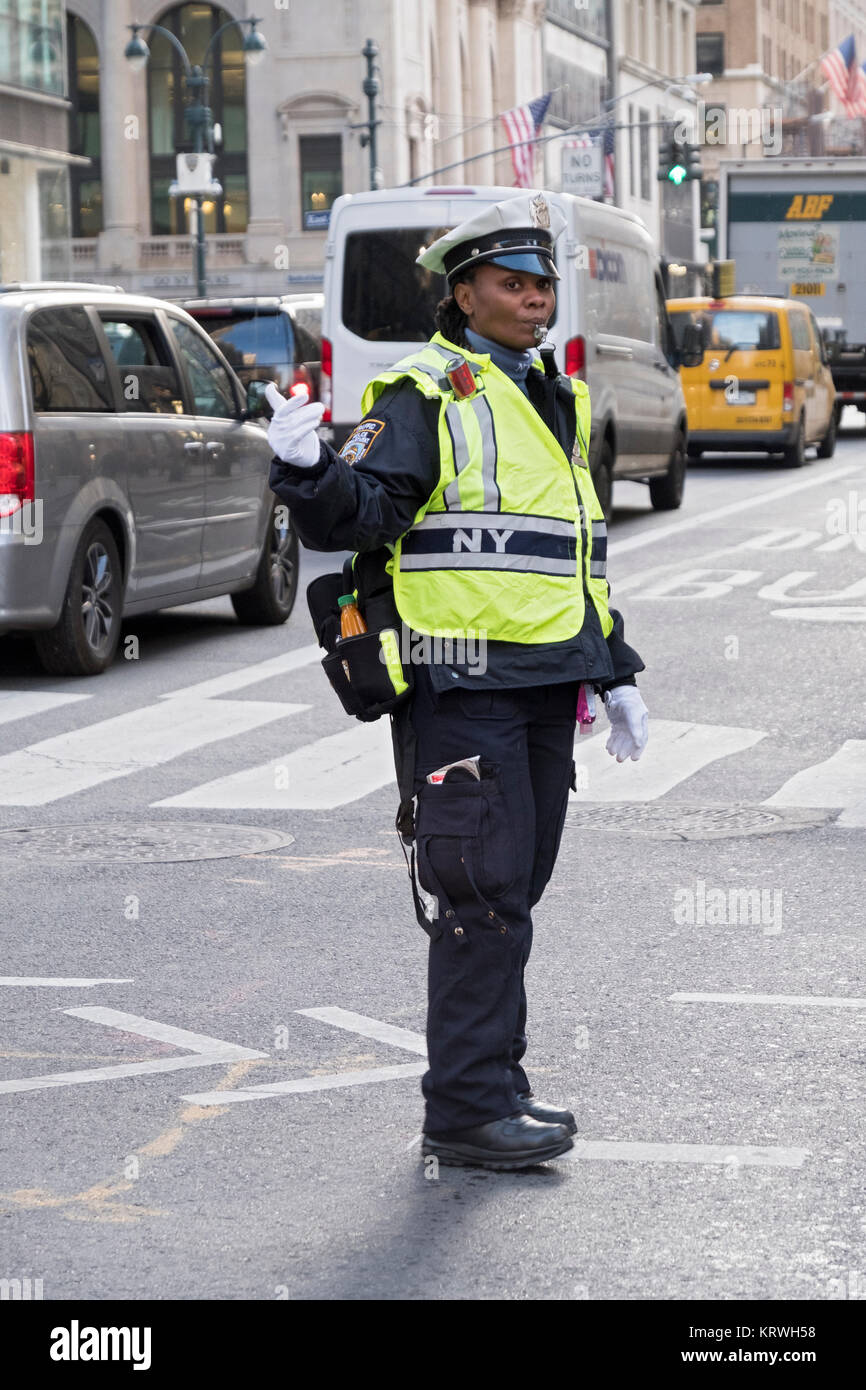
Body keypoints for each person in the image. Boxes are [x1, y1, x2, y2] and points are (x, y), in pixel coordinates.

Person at [266, 193, 649, 1172]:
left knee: (514, 886)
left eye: (542, 285)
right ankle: (465, 1109)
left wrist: (612, 672)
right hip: (459, 684)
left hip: (541, 683)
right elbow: (360, 515)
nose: (535, 300)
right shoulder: (424, 388)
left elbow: (572, 557)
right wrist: (308, 468)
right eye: (513, 285)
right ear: (463, 292)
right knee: (479, 891)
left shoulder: (545, 390)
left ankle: (496, 1081)